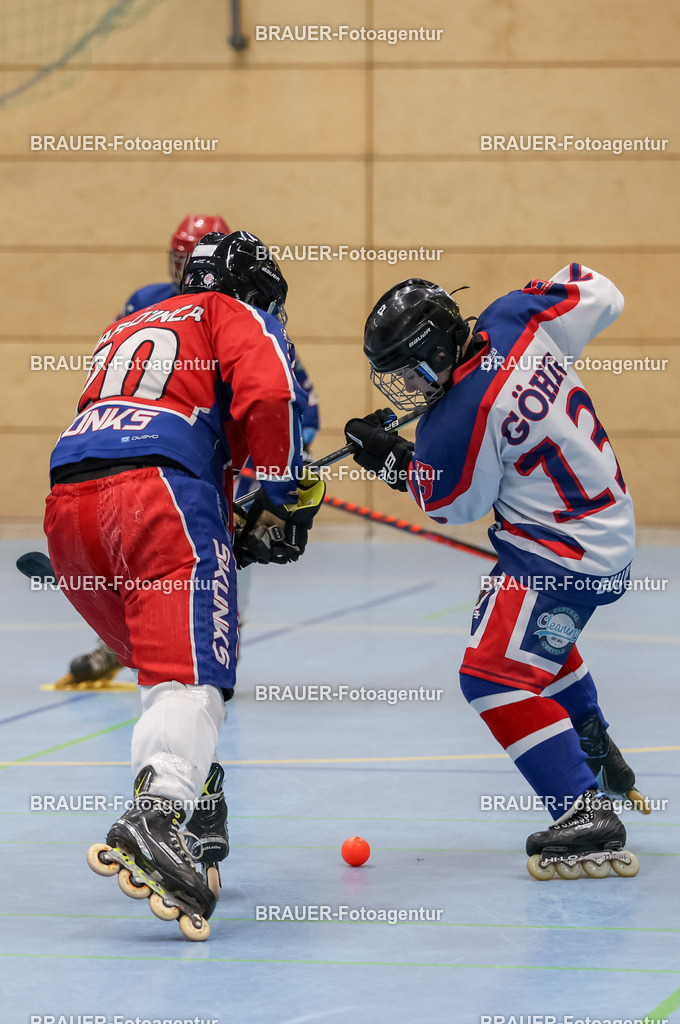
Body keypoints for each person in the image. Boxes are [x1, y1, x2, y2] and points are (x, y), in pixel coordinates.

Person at [44, 231, 325, 938]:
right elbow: (270, 392)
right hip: (157, 496)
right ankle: (159, 810)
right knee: (194, 673)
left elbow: (154, 418)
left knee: (162, 668)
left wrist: (233, 504)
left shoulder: (133, 322)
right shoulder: (231, 313)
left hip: (68, 504)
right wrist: (283, 495)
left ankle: (193, 791)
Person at [344, 265, 646, 880]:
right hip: (604, 528)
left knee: (489, 677)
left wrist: (392, 460)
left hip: (561, 554)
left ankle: (582, 809)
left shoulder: (457, 417)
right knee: (532, 647)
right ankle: (590, 744)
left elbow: (453, 504)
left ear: (432, 354)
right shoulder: (513, 315)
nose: (405, 385)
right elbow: (602, 290)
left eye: (407, 370)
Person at [64, 214, 320, 687]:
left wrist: (267, 460)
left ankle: (191, 627)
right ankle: (205, 637)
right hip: (178, 456)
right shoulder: (243, 317)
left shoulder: (141, 313)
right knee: (216, 543)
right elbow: (277, 397)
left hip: (86, 461)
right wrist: (280, 488)